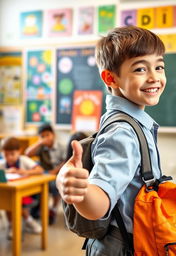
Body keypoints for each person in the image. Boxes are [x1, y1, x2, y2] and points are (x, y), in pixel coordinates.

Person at [56, 25, 166, 255]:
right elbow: (99, 204)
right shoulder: (122, 132)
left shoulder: (129, 121)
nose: (154, 76)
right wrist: (81, 192)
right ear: (110, 78)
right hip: (122, 246)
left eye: (159, 66)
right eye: (140, 69)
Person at [0, 137, 43, 239]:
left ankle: (28, 220)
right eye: (5, 155)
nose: (9, 157)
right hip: (9, 194)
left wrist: (25, 172)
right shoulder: (2, 164)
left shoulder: (24, 160)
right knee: (7, 200)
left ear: (19, 151)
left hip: (28, 194)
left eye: (12, 154)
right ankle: (12, 225)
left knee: (16, 201)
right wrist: (6, 172)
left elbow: (40, 170)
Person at [25, 123, 66, 224]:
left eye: (47, 135)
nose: (45, 138)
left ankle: (53, 209)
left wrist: (54, 172)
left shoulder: (61, 146)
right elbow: (27, 154)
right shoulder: (41, 147)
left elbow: (65, 161)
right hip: (44, 175)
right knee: (36, 186)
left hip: (58, 174)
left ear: (53, 134)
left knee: (55, 185)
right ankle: (38, 209)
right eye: (42, 136)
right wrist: (39, 143)